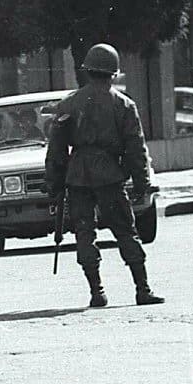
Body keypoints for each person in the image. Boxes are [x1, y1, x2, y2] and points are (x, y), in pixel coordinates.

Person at [45, 43, 164, 308]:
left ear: (87, 70)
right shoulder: (123, 104)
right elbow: (136, 147)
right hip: (109, 174)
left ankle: (96, 291)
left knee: (84, 234)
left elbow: (56, 149)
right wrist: (143, 182)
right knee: (125, 229)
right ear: (113, 73)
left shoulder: (69, 103)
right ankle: (142, 289)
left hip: (77, 176)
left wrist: (54, 183)